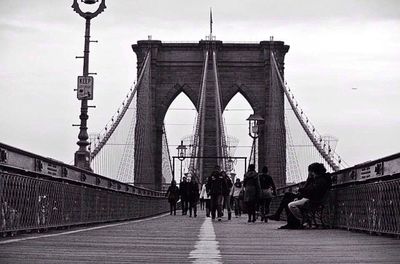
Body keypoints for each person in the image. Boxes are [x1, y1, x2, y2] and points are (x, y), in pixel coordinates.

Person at [268, 162, 332, 229]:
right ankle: (289, 222)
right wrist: (308, 180)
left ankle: (296, 221)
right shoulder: (318, 179)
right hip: (309, 198)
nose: (310, 173)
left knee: (288, 201)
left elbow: (311, 192)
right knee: (287, 196)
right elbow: (309, 189)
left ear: (314, 171)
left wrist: (300, 191)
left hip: (312, 201)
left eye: (310, 172)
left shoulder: (320, 181)